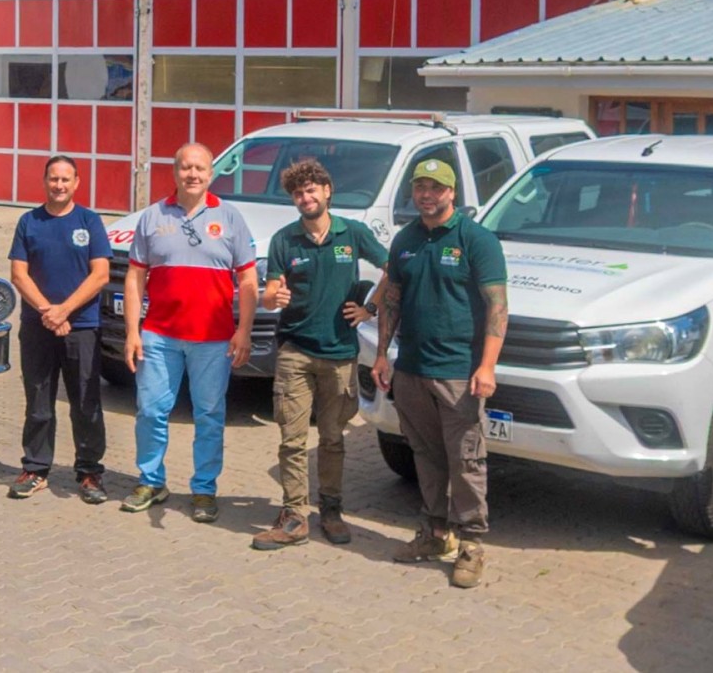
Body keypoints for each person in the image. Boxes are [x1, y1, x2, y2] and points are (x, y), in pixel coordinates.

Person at [370, 159, 508, 589]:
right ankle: (434, 534)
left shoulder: (477, 240)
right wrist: (382, 356)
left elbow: (497, 306)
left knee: (466, 461)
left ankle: (471, 545)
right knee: (426, 458)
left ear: (452, 193)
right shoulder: (406, 240)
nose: (427, 194)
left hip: (457, 374)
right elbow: (391, 298)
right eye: (420, 187)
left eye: (436, 187)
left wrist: (487, 365)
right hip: (411, 369)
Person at [251, 159, 387, 550]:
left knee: (331, 439)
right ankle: (295, 515)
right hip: (295, 351)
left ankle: (330, 511)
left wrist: (370, 309)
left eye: (312, 190)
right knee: (292, 440)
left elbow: (392, 269)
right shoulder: (284, 240)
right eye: (298, 192)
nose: (305, 197)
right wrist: (271, 296)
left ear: (327, 191)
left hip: (341, 354)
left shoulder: (353, 233)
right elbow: (270, 290)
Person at [121, 143, 258, 523]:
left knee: (210, 415)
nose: (192, 175)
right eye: (186, 168)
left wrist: (243, 330)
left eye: (200, 168)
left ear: (211, 173)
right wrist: (133, 331)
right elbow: (135, 276)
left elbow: (247, 278)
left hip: (213, 340)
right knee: (150, 411)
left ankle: (203, 489)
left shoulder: (230, 218)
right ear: (175, 172)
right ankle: (151, 481)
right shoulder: (152, 217)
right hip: (159, 336)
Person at [7, 156, 113, 503]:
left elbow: (100, 275)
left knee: (86, 402)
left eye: (66, 179)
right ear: (44, 181)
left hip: (82, 326)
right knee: (38, 401)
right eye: (54, 179)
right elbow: (19, 275)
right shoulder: (29, 222)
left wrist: (64, 310)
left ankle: (89, 473)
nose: (59, 185)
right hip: (38, 327)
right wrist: (47, 312)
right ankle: (35, 469)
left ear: (77, 183)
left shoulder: (89, 220)